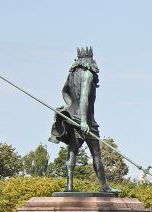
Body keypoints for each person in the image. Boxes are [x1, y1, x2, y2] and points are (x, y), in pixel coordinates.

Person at [49, 46, 114, 193]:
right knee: (96, 154)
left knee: (72, 151)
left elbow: (64, 92)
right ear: (89, 59)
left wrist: (70, 106)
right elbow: (84, 97)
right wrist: (84, 120)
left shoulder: (72, 74)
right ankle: (104, 186)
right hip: (87, 122)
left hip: (72, 118)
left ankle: (69, 185)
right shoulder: (88, 74)